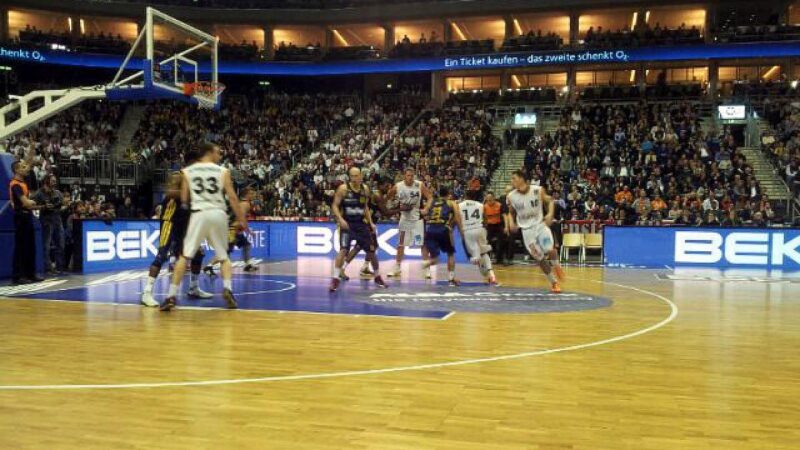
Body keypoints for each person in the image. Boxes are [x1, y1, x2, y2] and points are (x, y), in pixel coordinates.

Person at [159, 142, 248, 312]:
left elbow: (184, 200)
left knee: (185, 256)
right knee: (224, 257)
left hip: (199, 212)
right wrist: (242, 219)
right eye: (218, 152)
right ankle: (228, 289)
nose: (220, 155)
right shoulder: (223, 171)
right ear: (208, 152)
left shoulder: (187, 171)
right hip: (218, 213)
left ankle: (171, 296)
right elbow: (233, 197)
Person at [140, 172, 212, 307]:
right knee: (161, 257)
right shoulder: (175, 189)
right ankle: (146, 293)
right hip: (169, 224)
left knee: (198, 253)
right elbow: (171, 192)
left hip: (182, 228)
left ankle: (193, 288)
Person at [329, 167, 387, 292]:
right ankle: (335, 279)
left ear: (361, 175)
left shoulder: (365, 189)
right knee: (343, 250)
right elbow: (334, 205)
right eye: (352, 176)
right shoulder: (343, 189)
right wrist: (340, 219)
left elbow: (365, 207)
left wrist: (371, 222)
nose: (355, 178)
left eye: (357, 176)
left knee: (371, 251)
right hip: (347, 225)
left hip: (361, 225)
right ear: (349, 177)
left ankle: (377, 276)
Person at [505, 170, 564, 293]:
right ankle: (554, 283)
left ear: (522, 179)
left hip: (540, 226)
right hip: (527, 231)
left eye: (514, 178)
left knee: (550, 250)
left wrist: (550, 214)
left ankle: (557, 266)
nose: (512, 181)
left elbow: (551, 201)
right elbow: (511, 212)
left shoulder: (537, 190)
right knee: (540, 259)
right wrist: (511, 222)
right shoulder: (511, 196)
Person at [341, 176, 397, 279]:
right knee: (368, 247)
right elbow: (386, 213)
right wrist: (400, 209)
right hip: (366, 224)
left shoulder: (379, 195)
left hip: (367, 223)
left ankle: (361, 267)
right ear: (380, 186)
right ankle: (349, 269)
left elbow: (383, 211)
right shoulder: (377, 195)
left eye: (389, 186)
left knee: (364, 247)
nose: (388, 188)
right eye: (386, 186)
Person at [386, 168, 433, 279]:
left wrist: (426, 208)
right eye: (408, 175)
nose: (410, 178)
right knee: (401, 243)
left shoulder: (419, 185)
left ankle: (427, 269)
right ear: (404, 176)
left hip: (417, 219)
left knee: (421, 243)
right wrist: (396, 206)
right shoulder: (398, 186)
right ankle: (397, 268)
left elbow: (430, 197)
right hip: (404, 219)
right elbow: (388, 197)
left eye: (412, 176)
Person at [9, 157, 43, 284]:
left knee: (30, 246)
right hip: (20, 217)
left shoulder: (23, 182)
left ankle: (30, 274)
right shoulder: (15, 184)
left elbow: (29, 205)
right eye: (22, 167)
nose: (26, 169)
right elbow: (26, 202)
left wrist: (39, 205)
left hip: (27, 215)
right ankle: (17, 276)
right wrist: (33, 201)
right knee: (21, 247)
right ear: (16, 170)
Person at [422, 186, 462, 286]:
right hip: (443, 229)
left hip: (430, 230)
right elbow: (457, 218)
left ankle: (428, 262)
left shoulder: (432, 201)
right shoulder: (452, 203)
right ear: (449, 194)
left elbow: (424, 212)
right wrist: (462, 232)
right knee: (450, 253)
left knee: (436, 258)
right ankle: (451, 279)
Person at [459, 190, 497, 285]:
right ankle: (492, 276)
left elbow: (457, 218)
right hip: (480, 229)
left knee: (474, 257)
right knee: (484, 252)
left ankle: (478, 261)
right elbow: (485, 219)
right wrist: (484, 229)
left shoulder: (460, 205)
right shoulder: (480, 205)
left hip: (468, 230)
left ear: (466, 196)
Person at [32, 174, 65, 275]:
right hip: (46, 221)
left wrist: (62, 206)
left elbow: (62, 205)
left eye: (55, 180)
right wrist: (43, 206)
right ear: (46, 181)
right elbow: (32, 206)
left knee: (60, 244)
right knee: (46, 246)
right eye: (52, 180)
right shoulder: (39, 193)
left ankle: (60, 267)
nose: (54, 182)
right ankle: (47, 268)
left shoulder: (58, 193)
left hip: (57, 220)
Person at [484, 192, 506, 265]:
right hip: (489, 226)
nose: (489, 201)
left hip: (498, 225)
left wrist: (506, 226)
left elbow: (504, 216)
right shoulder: (484, 207)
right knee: (488, 242)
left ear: (494, 198)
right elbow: (483, 219)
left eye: (491, 199)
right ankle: (488, 259)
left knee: (501, 242)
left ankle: (500, 259)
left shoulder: (499, 205)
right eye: (488, 199)